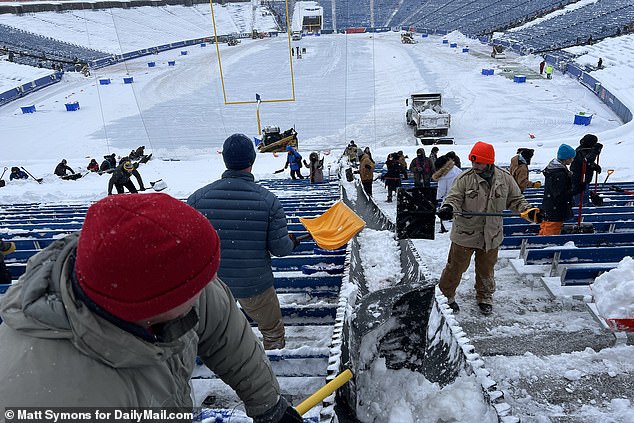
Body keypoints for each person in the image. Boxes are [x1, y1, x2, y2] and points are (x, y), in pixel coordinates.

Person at [0, 194, 302, 422]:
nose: (206, 288)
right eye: (196, 285)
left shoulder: (174, 285)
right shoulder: (48, 396)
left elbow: (224, 327)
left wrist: (270, 407)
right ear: (151, 305)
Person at [188, 134, 299, 350]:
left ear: (225, 160)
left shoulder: (197, 199)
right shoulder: (268, 201)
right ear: (252, 160)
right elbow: (279, 248)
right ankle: (274, 367)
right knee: (272, 331)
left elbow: (190, 248)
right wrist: (292, 242)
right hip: (255, 284)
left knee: (212, 336)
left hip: (213, 286)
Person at [436, 141, 539, 315]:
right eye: (473, 162)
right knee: (455, 267)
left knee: (486, 269)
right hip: (465, 234)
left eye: (478, 163)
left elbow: (516, 200)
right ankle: (446, 296)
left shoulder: (505, 179)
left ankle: (484, 297)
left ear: (489, 162)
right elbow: (453, 198)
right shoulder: (464, 179)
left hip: (491, 234)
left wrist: (528, 211)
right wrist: (449, 208)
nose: (474, 166)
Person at [539, 144, 576, 236]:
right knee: (551, 232)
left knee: (546, 227)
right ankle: (546, 248)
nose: (572, 160)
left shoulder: (556, 170)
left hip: (550, 206)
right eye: (571, 158)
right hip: (555, 208)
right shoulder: (558, 173)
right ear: (565, 158)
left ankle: (541, 244)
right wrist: (574, 190)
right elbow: (560, 194)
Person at [570, 134, 602, 207]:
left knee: (581, 196)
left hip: (583, 179)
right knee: (580, 202)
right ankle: (580, 212)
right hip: (579, 180)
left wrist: (594, 166)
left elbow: (587, 162)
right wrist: (595, 151)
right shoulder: (581, 151)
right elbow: (587, 160)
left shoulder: (584, 149)